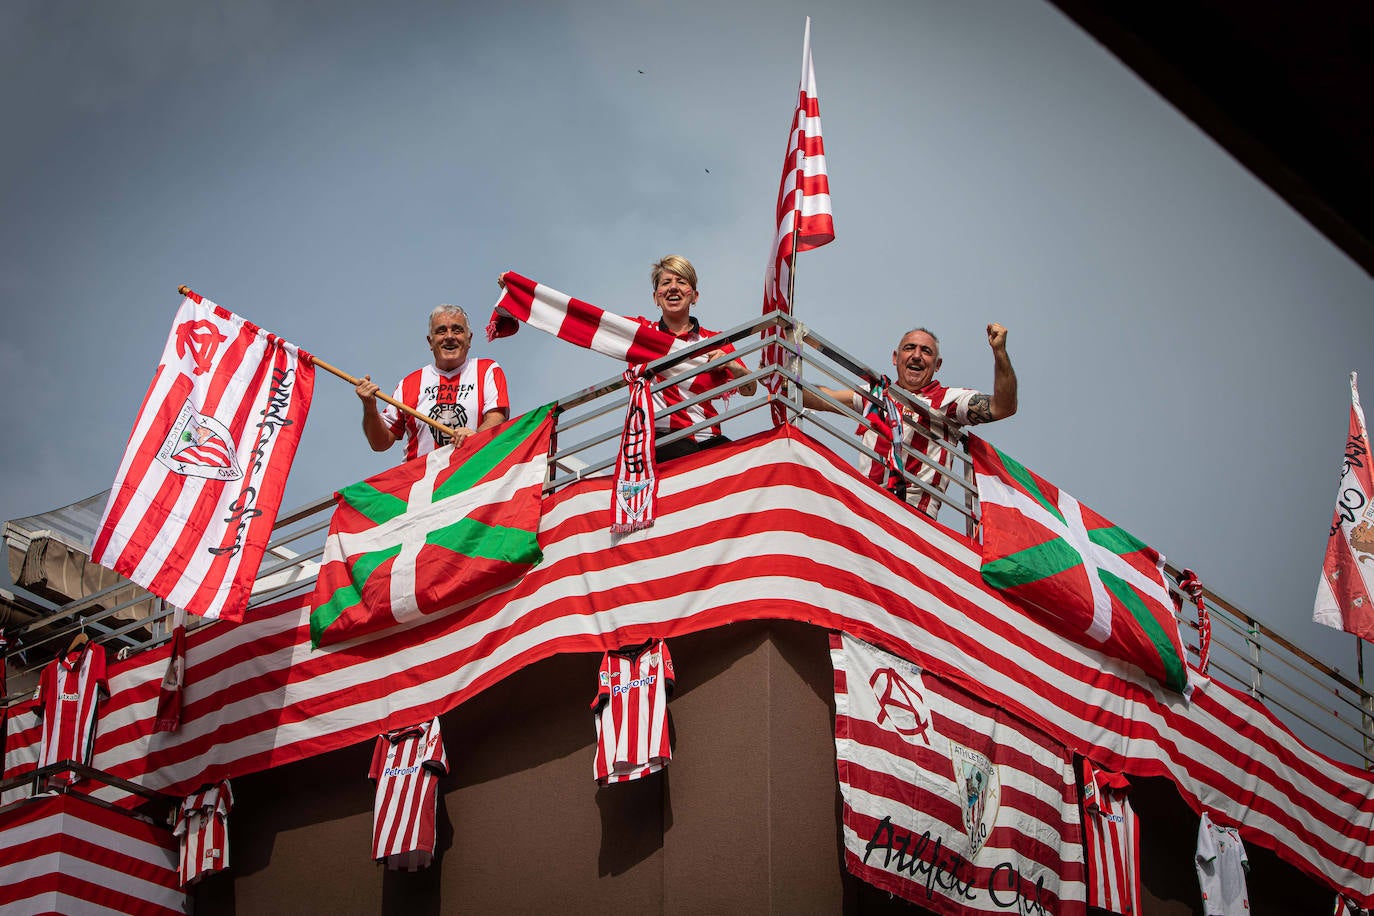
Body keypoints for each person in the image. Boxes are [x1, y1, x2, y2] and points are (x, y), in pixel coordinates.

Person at [804, 324, 1016, 518]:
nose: (916, 355)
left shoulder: (949, 400)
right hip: (865, 505)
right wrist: (781, 379)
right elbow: (824, 399)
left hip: (914, 515)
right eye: (910, 348)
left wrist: (999, 353)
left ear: (937, 364)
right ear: (896, 358)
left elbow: (1002, 407)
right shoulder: (877, 393)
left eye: (926, 351)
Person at [638, 255, 757, 463]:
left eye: (681, 282)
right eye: (666, 283)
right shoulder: (640, 333)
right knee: (686, 454)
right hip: (663, 437)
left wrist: (731, 364)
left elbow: (750, 389)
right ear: (656, 297)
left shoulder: (715, 340)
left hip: (708, 436)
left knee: (742, 461)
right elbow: (594, 323)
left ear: (694, 296)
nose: (673, 288)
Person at [355, 304, 510, 460]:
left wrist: (476, 436)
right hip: (421, 480)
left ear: (469, 339)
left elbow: (497, 419)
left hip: (472, 473)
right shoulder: (408, 385)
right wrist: (369, 406)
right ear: (430, 342)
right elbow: (380, 443)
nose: (449, 336)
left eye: (457, 330)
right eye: (441, 331)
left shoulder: (487, 370)